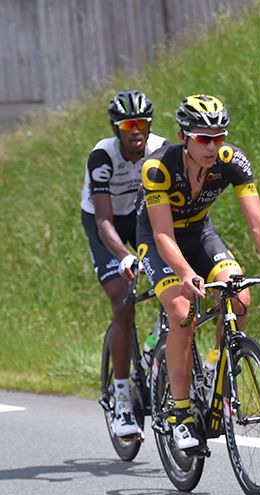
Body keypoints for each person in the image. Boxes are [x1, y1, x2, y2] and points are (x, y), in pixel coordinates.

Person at [136, 94, 260, 451]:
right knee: (182, 313)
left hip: (200, 234)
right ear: (183, 136)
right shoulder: (157, 168)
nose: (213, 146)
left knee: (239, 298)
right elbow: (163, 234)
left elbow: (257, 222)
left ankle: (215, 370)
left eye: (219, 137)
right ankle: (180, 415)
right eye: (203, 138)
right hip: (158, 239)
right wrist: (184, 272)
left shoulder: (232, 161)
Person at [81, 89, 167, 437]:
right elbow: (104, 222)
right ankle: (122, 400)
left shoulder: (160, 150)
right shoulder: (102, 156)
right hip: (105, 223)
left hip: (140, 217)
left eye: (142, 124)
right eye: (129, 124)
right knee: (122, 300)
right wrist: (125, 257)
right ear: (116, 128)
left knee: (171, 282)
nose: (137, 131)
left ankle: (153, 343)